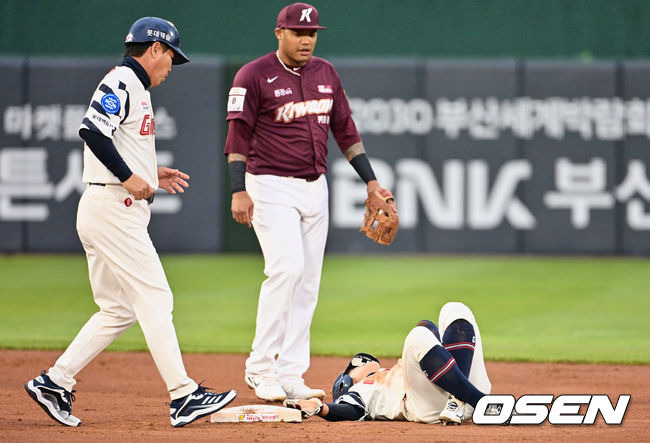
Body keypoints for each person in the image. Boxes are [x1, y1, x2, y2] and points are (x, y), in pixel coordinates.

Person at [24, 17, 236, 428]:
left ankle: (55, 381)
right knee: (156, 299)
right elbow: (92, 131)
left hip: (107, 207)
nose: (172, 65)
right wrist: (129, 176)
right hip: (113, 208)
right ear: (154, 49)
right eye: (171, 55)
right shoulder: (122, 80)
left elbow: (117, 140)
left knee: (118, 308)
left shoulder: (135, 87)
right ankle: (184, 395)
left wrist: (152, 173)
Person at [224, 2, 397, 402]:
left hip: (314, 187)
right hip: (268, 184)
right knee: (286, 269)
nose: (306, 39)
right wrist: (238, 189)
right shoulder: (253, 75)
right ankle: (260, 367)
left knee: (307, 283)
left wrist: (371, 182)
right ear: (279, 33)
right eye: (298, 32)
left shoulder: (326, 73)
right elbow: (237, 137)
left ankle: (290, 373)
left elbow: (346, 131)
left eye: (312, 33)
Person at [285, 302, 492, 425]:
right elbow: (350, 412)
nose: (365, 363)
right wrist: (320, 407)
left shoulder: (391, 371)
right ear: (345, 382)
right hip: (429, 407)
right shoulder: (359, 390)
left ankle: (460, 400)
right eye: (357, 366)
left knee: (454, 309)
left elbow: (431, 330)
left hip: (455, 398)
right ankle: (482, 401)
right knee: (417, 336)